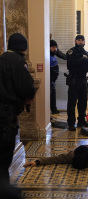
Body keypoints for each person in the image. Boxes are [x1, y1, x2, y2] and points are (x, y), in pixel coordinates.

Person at [0, 33, 36, 198]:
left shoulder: (2, 59)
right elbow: (26, 87)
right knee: (5, 154)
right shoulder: (18, 62)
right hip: (6, 115)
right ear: (23, 47)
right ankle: (5, 191)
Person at [65, 35, 88, 131]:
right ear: (75, 41)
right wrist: (82, 60)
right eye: (78, 40)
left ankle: (81, 121)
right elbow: (71, 64)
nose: (80, 42)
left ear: (84, 42)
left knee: (83, 102)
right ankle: (71, 123)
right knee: (72, 103)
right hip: (74, 79)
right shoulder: (71, 52)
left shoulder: (87, 53)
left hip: (83, 79)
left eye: (82, 40)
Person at [50, 39, 66, 114]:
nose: (54, 49)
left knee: (53, 95)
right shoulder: (48, 57)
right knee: (51, 96)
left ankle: (54, 109)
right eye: (52, 47)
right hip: (50, 81)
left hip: (53, 81)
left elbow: (62, 55)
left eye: (55, 47)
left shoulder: (53, 55)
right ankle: (51, 110)